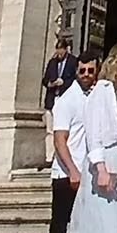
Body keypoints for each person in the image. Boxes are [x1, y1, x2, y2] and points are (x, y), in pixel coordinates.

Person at [71, 42, 117, 233]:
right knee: (104, 221)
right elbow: (94, 132)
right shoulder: (102, 90)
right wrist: (100, 168)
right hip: (104, 162)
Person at [49, 48, 101, 233]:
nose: (86, 75)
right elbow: (59, 140)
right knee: (60, 225)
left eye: (90, 71)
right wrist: (72, 171)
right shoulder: (66, 101)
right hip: (67, 175)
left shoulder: (94, 97)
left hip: (87, 172)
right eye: (82, 71)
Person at [41, 36, 75, 166]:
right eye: (57, 49)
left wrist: (64, 82)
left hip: (65, 99)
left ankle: (63, 155)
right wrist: (50, 83)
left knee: (64, 128)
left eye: (61, 49)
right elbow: (45, 79)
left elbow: (75, 79)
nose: (59, 52)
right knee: (50, 129)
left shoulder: (73, 62)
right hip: (52, 98)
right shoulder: (52, 62)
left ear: (67, 49)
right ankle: (49, 157)